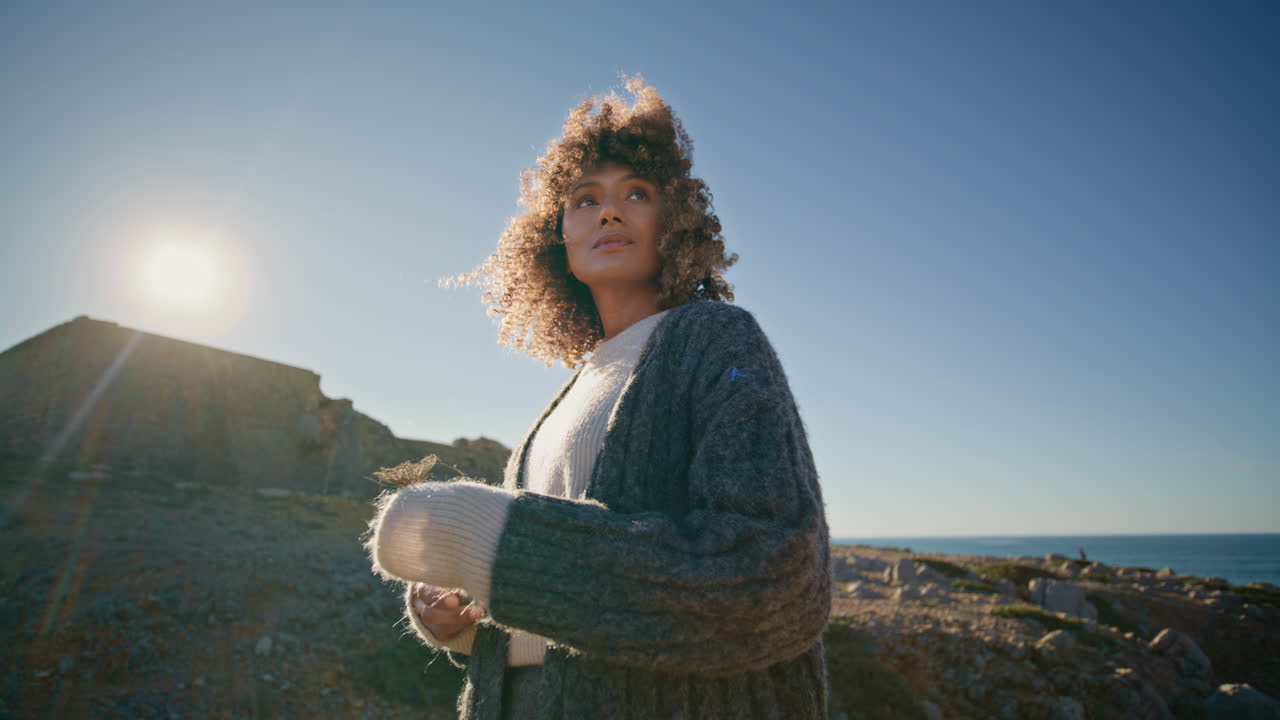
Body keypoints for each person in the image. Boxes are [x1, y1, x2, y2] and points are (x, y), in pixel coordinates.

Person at [366, 77, 831, 720]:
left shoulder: (716, 339)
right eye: (585, 199)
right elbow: (554, 609)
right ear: (556, 234)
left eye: (636, 194)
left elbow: (776, 576)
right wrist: (463, 619)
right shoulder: (564, 400)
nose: (609, 212)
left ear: (675, 220)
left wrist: (498, 541)